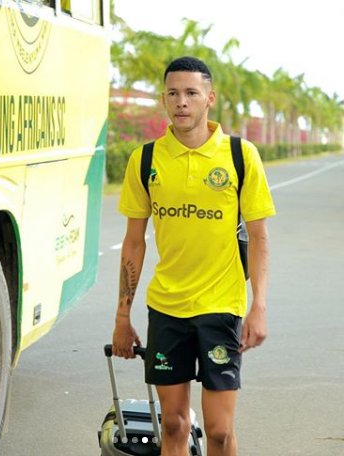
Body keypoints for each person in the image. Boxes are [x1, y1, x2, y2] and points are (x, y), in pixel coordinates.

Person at [112, 56, 276, 456]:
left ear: (209, 99)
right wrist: (122, 317)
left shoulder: (240, 155)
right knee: (173, 424)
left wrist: (258, 307)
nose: (181, 102)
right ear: (164, 99)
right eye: (172, 93)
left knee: (219, 431)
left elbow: (259, 237)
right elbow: (133, 242)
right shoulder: (145, 160)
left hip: (221, 306)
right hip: (166, 307)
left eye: (191, 93)